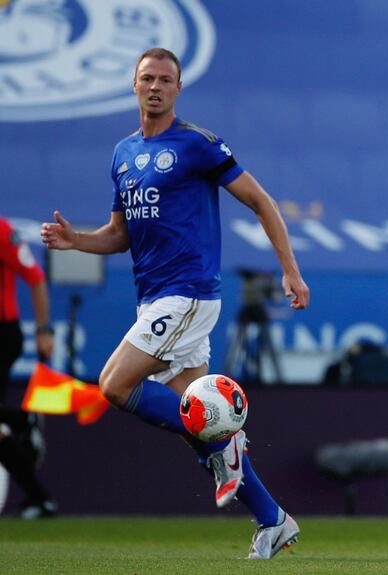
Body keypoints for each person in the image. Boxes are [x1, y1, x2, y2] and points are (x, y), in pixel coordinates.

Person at [39, 48, 310, 558]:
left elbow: (261, 201)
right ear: (134, 85)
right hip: (154, 299)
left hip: (187, 293)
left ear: (178, 88)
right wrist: (78, 241)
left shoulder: (197, 145)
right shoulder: (122, 154)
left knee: (115, 385)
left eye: (165, 79)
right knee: (195, 421)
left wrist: (290, 270)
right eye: (147, 78)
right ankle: (272, 519)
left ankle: (226, 445)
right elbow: (119, 235)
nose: (156, 85)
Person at [0, 215, 57, 518]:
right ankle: (22, 421)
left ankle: (41, 498)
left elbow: (34, 277)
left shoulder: (1, 230)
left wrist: (43, 329)